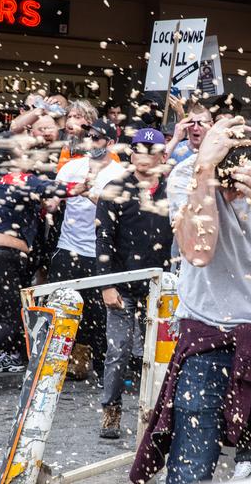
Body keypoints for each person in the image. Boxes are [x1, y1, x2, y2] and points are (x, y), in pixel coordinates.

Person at [129, 117, 251, 483]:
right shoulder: (190, 171)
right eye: (226, 182)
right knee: (191, 465)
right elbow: (198, 252)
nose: (232, 193)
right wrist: (205, 173)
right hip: (206, 328)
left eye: (238, 182)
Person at [0, 157, 87, 392]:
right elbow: (58, 189)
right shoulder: (18, 178)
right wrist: (81, 187)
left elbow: (47, 203)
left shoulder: (0, 189)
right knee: (13, 318)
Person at [96, 127, 173, 438]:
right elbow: (103, 241)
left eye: (151, 151)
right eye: (138, 149)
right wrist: (107, 284)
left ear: (162, 156)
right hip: (123, 283)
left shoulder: (173, 189)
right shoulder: (115, 188)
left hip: (163, 284)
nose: (144, 156)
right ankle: (111, 412)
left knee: (162, 355)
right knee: (118, 351)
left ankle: (160, 414)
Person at [47, 118, 126, 381]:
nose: (91, 141)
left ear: (111, 143)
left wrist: (89, 193)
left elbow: (116, 213)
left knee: (98, 315)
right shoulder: (72, 166)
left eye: (98, 138)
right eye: (89, 136)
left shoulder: (119, 173)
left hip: (98, 252)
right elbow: (53, 201)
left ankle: (104, 370)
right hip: (68, 247)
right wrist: (54, 201)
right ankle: (62, 365)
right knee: (61, 307)